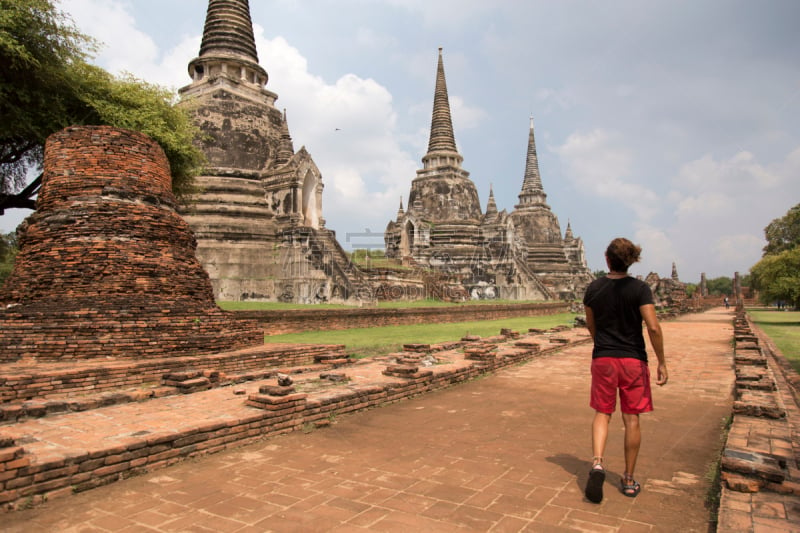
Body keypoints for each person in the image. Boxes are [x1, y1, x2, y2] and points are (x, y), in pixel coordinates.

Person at [582, 237, 668, 503]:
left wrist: (602, 345)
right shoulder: (640, 289)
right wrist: (662, 361)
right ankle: (629, 479)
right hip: (633, 360)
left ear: (607, 259)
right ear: (631, 261)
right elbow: (653, 327)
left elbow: (590, 324)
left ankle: (597, 463)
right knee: (631, 419)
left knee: (602, 413)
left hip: (604, 359)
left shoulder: (594, 288)